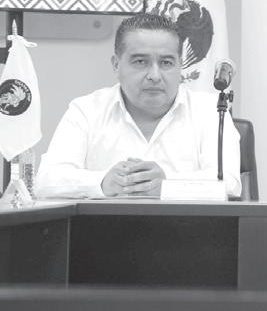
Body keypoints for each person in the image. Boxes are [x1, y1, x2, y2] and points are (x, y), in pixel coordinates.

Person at [35, 13, 241, 199]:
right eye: (141, 61)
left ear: (180, 65)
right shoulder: (87, 110)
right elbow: (46, 181)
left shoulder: (210, 111)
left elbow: (230, 184)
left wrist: (167, 185)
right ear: (116, 65)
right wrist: (103, 182)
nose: (154, 75)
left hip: (191, 228)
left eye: (166, 63)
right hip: (103, 227)